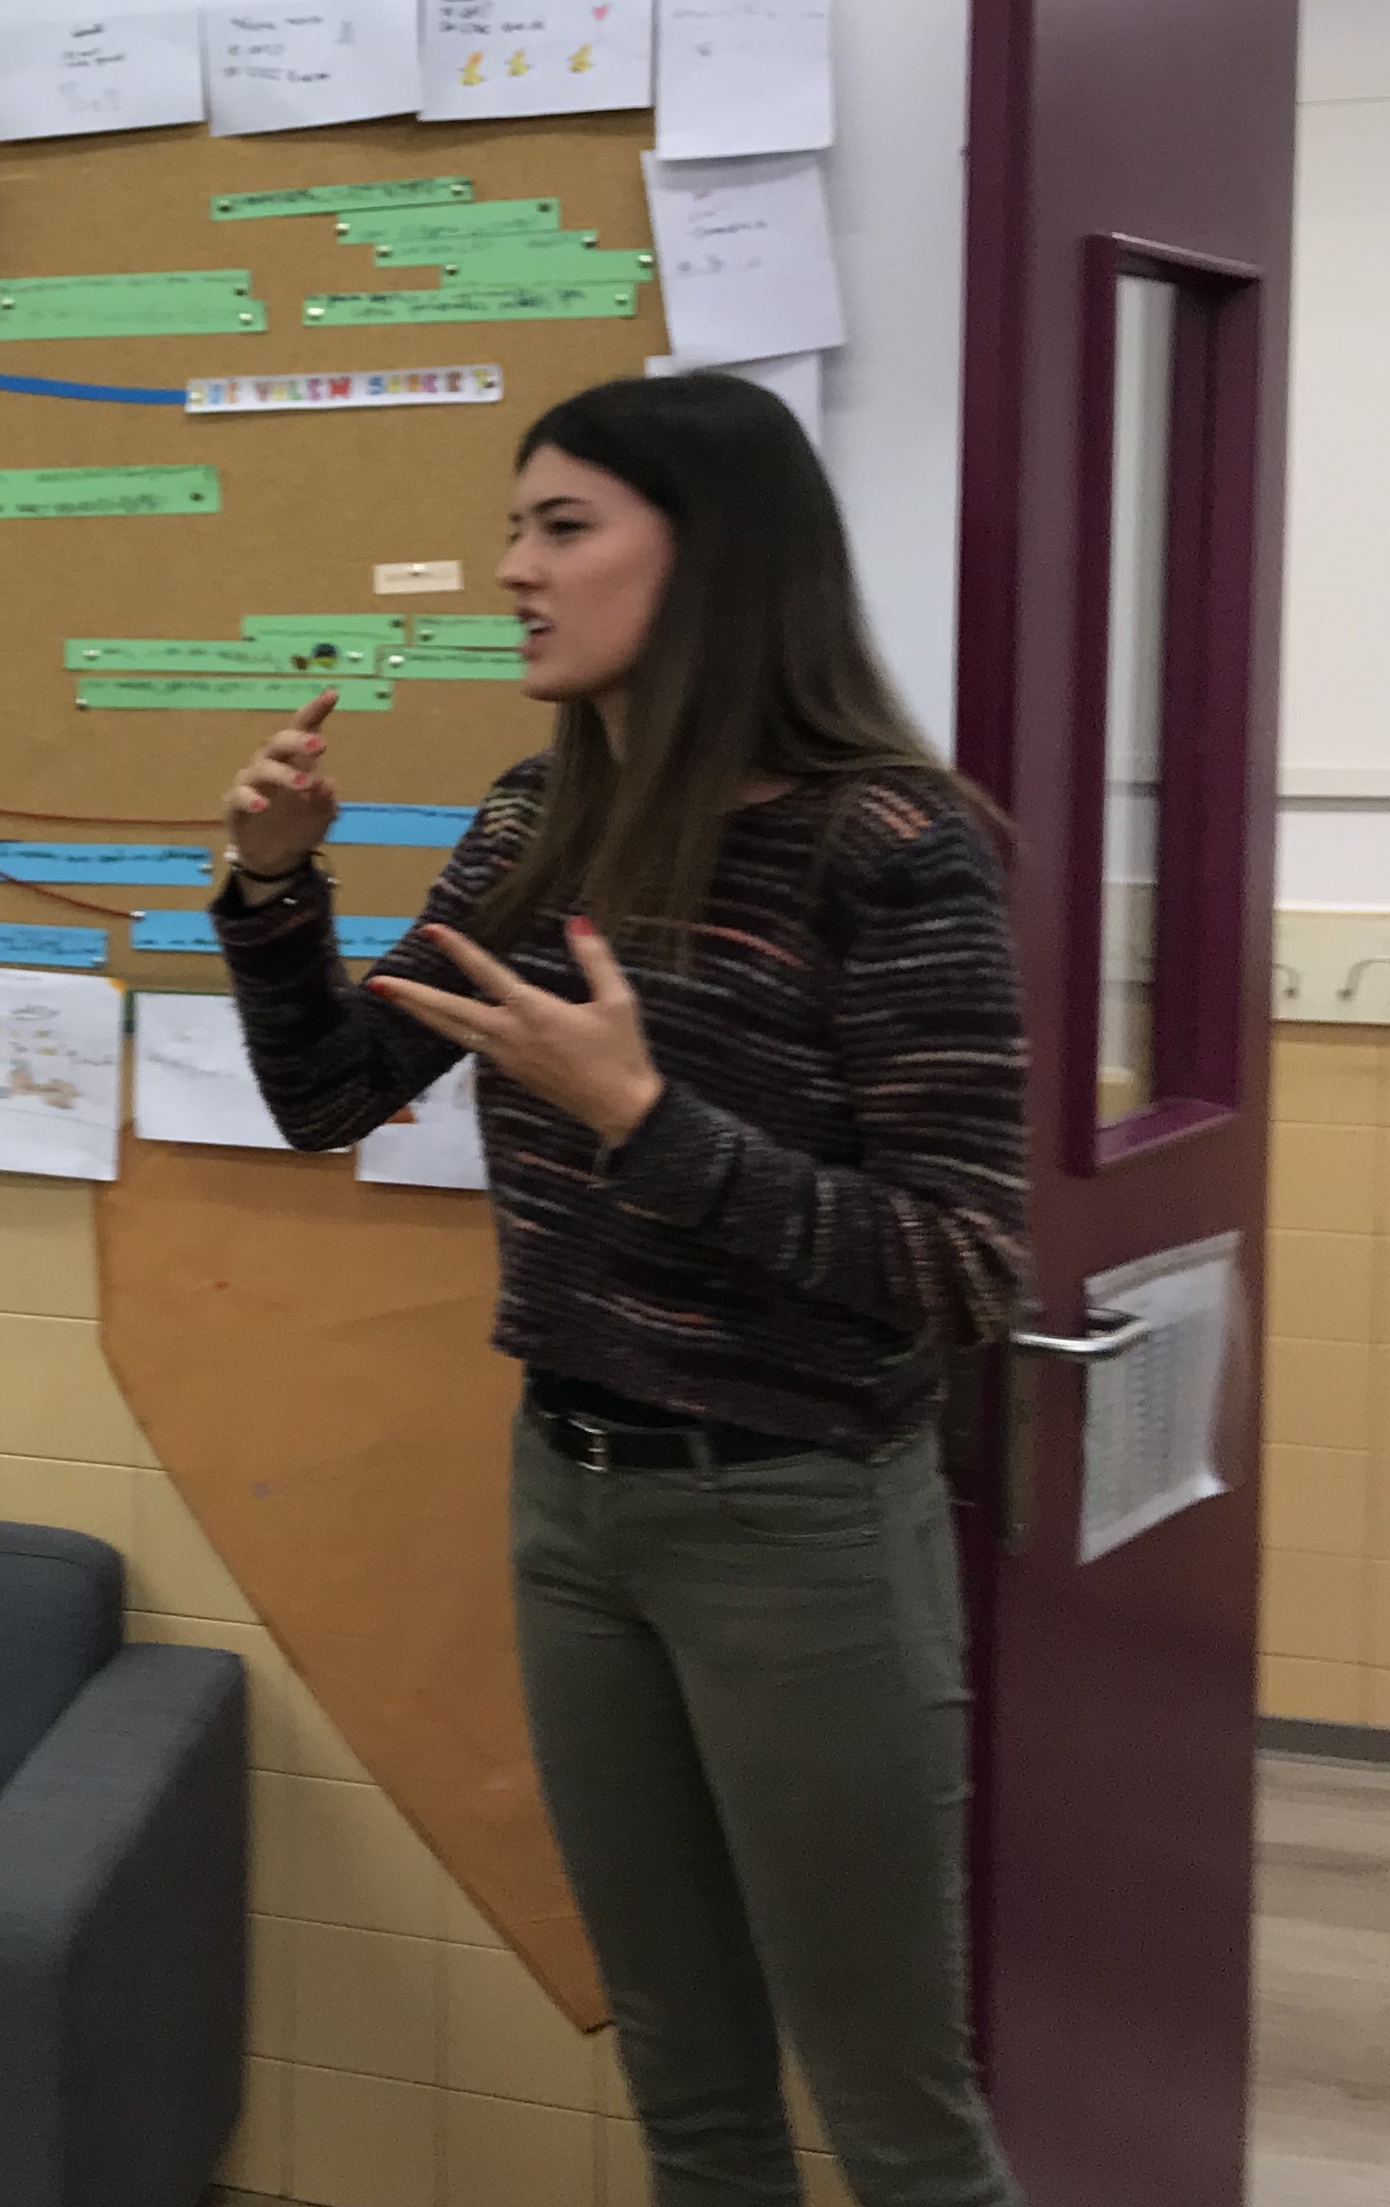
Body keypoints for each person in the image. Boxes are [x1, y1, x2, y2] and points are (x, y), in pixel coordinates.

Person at [210, 372, 1031, 2207]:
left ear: (716, 555)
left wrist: (647, 1124)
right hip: (572, 1504)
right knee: (690, 2100)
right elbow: (330, 1094)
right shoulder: (536, 818)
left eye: (561, 528)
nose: (513, 570)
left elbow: (962, 1266)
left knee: (898, 2127)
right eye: (513, 529)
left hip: (797, 1527)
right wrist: (272, 891)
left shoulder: (889, 850)